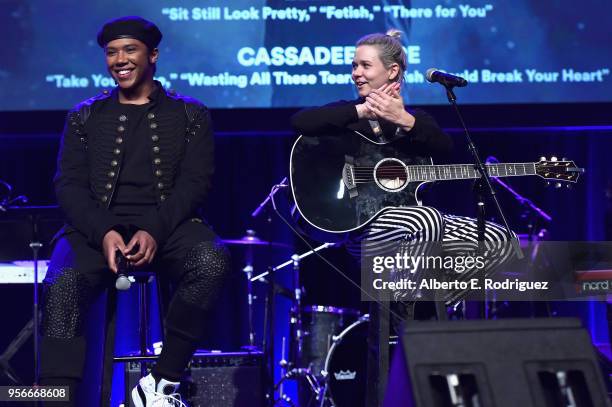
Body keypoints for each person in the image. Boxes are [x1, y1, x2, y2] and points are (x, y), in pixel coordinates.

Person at [40, 16, 230, 406]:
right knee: (62, 285)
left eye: (130, 50)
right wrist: (104, 230)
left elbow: (195, 183)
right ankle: (54, 398)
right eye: (111, 52)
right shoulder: (84, 117)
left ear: (153, 55)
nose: (119, 60)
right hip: (95, 229)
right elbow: (69, 185)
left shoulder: (191, 115)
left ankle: (161, 382)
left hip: (169, 225)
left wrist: (155, 230)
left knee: (211, 261)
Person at [290, 30, 515, 308]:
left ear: (392, 71)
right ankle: (405, 308)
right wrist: (362, 112)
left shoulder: (417, 120)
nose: (356, 73)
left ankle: (427, 307)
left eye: (365, 65)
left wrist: (405, 121)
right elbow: (301, 122)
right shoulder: (347, 115)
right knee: (426, 219)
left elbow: (445, 148)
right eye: (354, 65)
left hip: (415, 228)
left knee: (500, 238)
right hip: (364, 229)